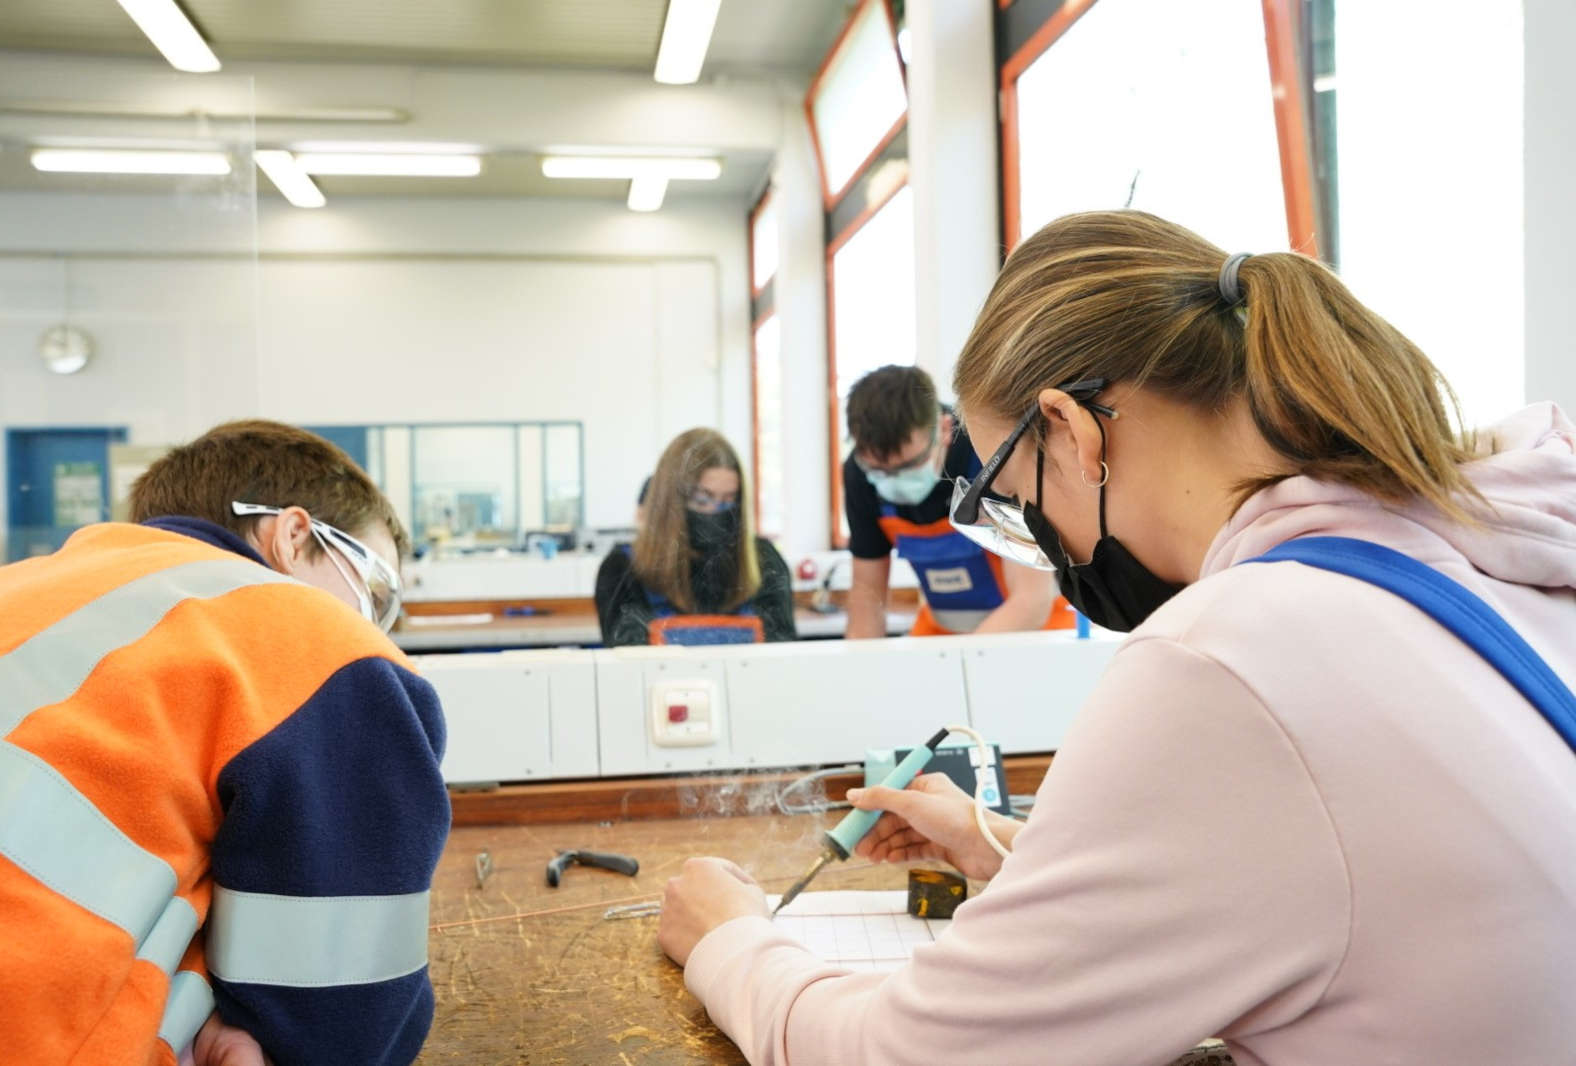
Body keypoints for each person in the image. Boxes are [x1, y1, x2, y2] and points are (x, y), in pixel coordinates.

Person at [655, 211, 1576, 1064]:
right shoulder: (1479, 550)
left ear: (1069, 429)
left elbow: (909, 1054)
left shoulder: (1229, 657)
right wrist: (1002, 848)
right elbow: (1306, 869)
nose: (1046, 543)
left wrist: (731, 939)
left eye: (1019, 501)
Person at [0, 419, 450, 1065]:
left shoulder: (11, 589)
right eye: (373, 590)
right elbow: (342, 1009)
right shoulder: (313, 639)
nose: (373, 624)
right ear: (293, 536)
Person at [841, 364, 1072, 638]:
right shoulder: (859, 475)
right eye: (879, 471)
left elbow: (1031, 602)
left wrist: (964, 659)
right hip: (943, 634)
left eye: (909, 465)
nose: (893, 480)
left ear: (944, 429)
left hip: (1034, 632)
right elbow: (867, 598)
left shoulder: (991, 455)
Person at [596, 428, 795, 646]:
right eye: (702, 500)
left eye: (728, 500)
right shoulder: (623, 571)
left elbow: (781, 653)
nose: (715, 512)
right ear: (671, 502)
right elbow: (630, 659)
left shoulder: (764, 561)